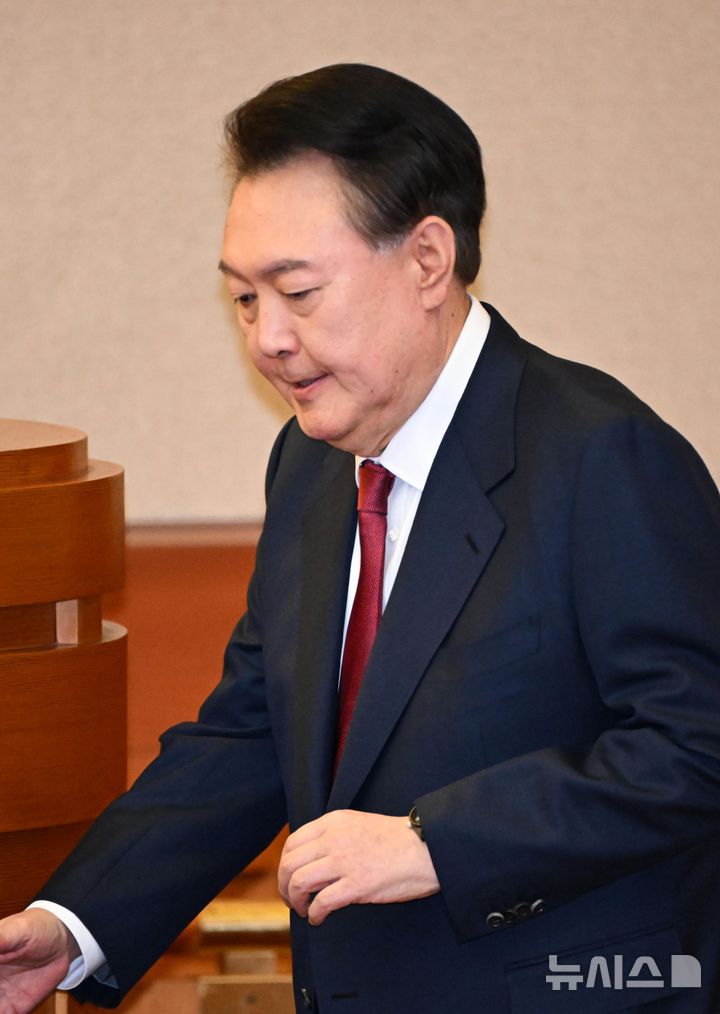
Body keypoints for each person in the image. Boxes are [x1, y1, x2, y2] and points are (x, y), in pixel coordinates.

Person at [1, 63, 720, 1014]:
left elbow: (695, 745)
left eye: (297, 292)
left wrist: (437, 842)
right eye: (243, 299)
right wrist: (71, 923)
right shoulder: (309, 465)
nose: (266, 338)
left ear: (427, 259)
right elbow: (255, 733)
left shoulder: (603, 455)